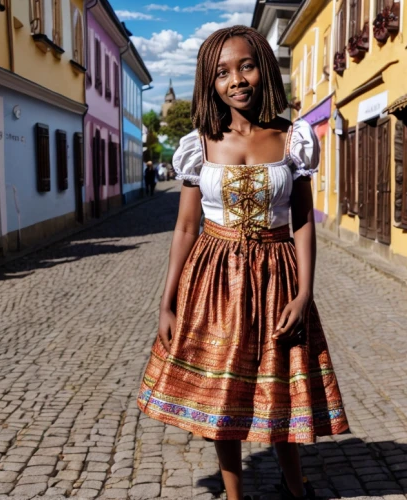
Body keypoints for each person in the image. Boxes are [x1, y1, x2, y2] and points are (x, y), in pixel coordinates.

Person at [137, 26, 349, 500]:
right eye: (222, 72)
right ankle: (235, 497)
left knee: (280, 389)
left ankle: (296, 489)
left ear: (264, 69)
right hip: (212, 280)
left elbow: (302, 222)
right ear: (209, 83)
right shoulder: (199, 144)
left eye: (246, 66)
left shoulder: (292, 138)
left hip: (277, 277)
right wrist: (166, 302)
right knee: (221, 395)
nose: (236, 79)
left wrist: (305, 292)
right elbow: (186, 229)